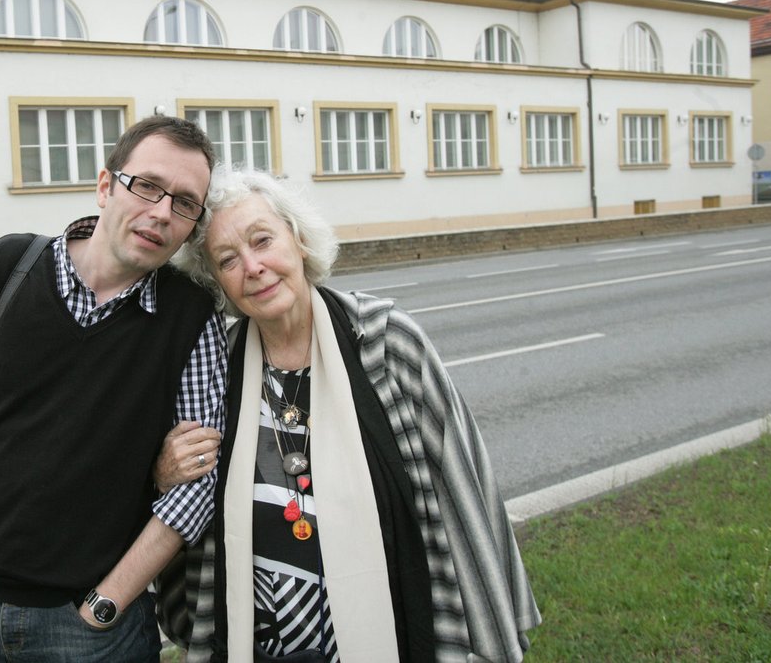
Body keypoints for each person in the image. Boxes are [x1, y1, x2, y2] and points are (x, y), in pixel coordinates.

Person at [162, 167, 540, 663]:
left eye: (263, 240)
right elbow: (187, 498)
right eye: (228, 259)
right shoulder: (217, 366)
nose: (252, 267)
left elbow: (460, 491)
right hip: (262, 644)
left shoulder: (386, 343)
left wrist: (485, 629)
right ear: (218, 284)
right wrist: (165, 470)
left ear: (298, 240)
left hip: (391, 628)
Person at [0, 116, 227, 662]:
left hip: (93, 629)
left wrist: (109, 602)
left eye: (184, 203)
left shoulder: (191, 316)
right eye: (148, 186)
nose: (161, 212)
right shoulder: (7, 266)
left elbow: (197, 483)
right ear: (106, 186)